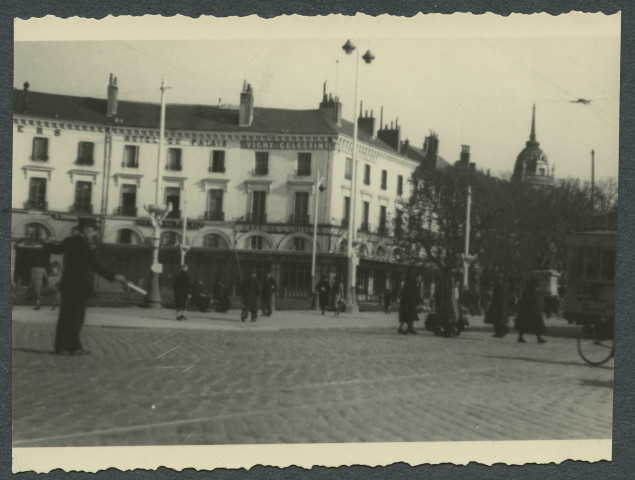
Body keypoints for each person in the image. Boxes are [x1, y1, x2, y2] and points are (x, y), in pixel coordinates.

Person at [43, 217, 126, 355]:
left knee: (65, 315)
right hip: (80, 284)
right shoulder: (84, 245)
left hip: (68, 282)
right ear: (86, 229)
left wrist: (45, 243)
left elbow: (56, 250)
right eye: (93, 230)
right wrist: (113, 276)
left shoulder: (69, 241)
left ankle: (61, 347)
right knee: (76, 316)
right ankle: (74, 347)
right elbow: (94, 264)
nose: (94, 234)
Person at [515, 278, 547, 344]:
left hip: (533, 310)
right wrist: (523, 310)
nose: (537, 287)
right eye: (536, 286)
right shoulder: (528, 292)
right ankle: (538, 338)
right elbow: (525, 301)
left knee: (528, 325)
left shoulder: (532, 292)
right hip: (530, 311)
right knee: (535, 325)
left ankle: (522, 337)